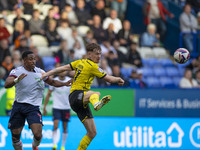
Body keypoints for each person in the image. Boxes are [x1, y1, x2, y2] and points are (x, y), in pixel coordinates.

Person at [41, 43, 124, 150]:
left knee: (92, 132)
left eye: (100, 54)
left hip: (78, 102)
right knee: (96, 94)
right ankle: (96, 104)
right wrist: (119, 79)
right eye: (96, 54)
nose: (99, 56)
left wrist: (47, 73)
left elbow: (63, 68)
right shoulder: (93, 66)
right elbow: (109, 79)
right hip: (76, 95)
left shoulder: (79, 62)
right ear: (89, 54)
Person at [4, 51, 72, 150]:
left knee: (38, 134)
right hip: (19, 106)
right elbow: (6, 84)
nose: (33, 61)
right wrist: (16, 80)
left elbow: (52, 82)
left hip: (33, 107)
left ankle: (34, 145)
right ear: (24, 60)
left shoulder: (40, 72)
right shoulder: (17, 71)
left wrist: (65, 83)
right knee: (15, 137)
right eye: (30, 59)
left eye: (34, 59)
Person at [43, 66, 71, 150]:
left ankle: (63, 146)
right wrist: (44, 107)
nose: (62, 72)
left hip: (66, 107)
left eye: (64, 71)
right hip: (56, 107)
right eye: (61, 71)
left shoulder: (70, 80)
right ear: (58, 72)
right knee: (55, 126)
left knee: (65, 127)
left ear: (66, 72)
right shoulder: (54, 81)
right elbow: (48, 94)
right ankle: (54, 145)